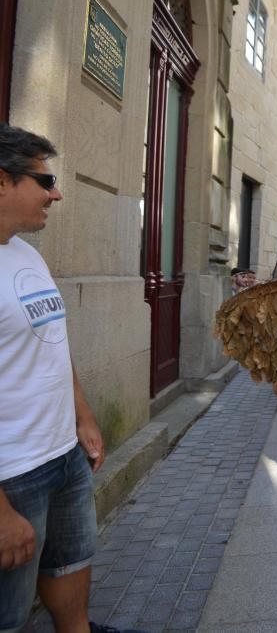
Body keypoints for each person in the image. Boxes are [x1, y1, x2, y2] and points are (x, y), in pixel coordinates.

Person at [0, 124, 134, 633]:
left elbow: (51, 341)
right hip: (12, 478)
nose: (56, 193)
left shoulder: (26, 252)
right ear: (2, 181)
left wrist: (82, 417)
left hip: (62, 458)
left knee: (70, 566)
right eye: (44, 180)